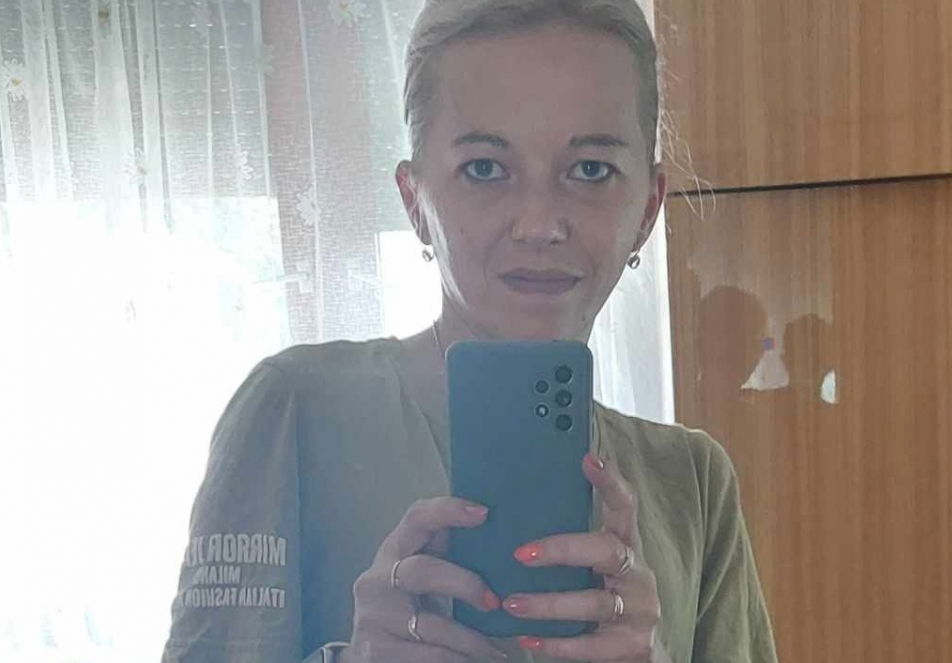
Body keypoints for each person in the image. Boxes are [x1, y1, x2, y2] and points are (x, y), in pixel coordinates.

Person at [160, 1, 778, 661]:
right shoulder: (295, 409)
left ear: (648, 210)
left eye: (591, 170)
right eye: (485, 168)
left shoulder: (691, 482)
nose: (539, 224)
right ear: (415, 201)